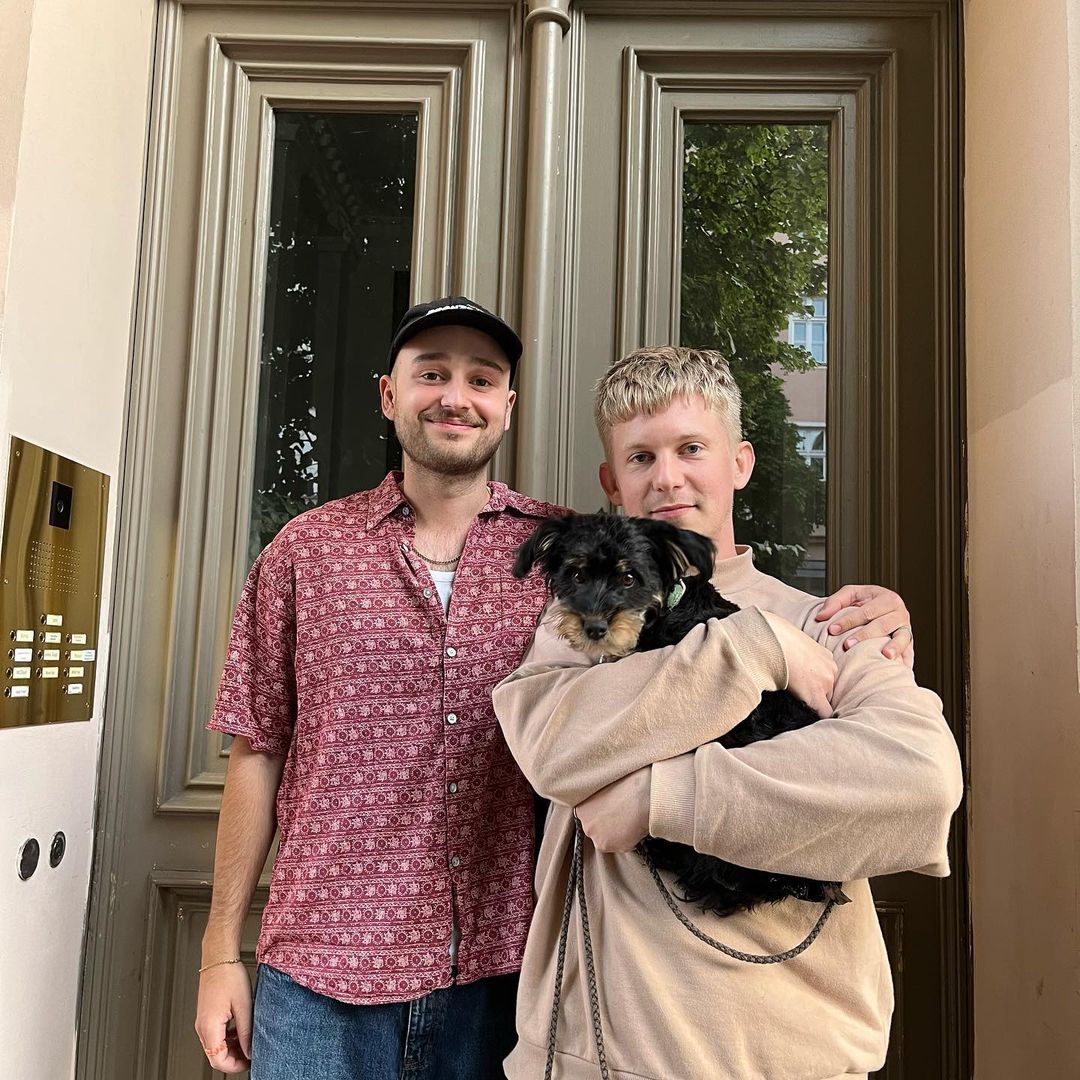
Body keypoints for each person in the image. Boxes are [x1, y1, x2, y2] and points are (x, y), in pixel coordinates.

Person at [193, 306, 916, 1079]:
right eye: (431, 374)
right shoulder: (305, 551)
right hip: (322, 966)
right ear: (388, 394)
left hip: (503, 975)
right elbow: (256, 747)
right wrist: (218, 952)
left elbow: (692, 600)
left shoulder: (570, 553)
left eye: (481, 380)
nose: (456, 397)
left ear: (507, 405)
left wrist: (876, 620)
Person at [492, 346, 963, 1080]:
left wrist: (659, 797)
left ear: (740, 462)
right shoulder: (577, 626)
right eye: (640, 457)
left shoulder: (836, 622)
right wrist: (753, 647)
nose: (667, 477)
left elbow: (919, 782)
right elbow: (553, 748)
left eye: (691, 449)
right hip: (594, 1055)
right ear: (612, 483)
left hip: (787, 1054)